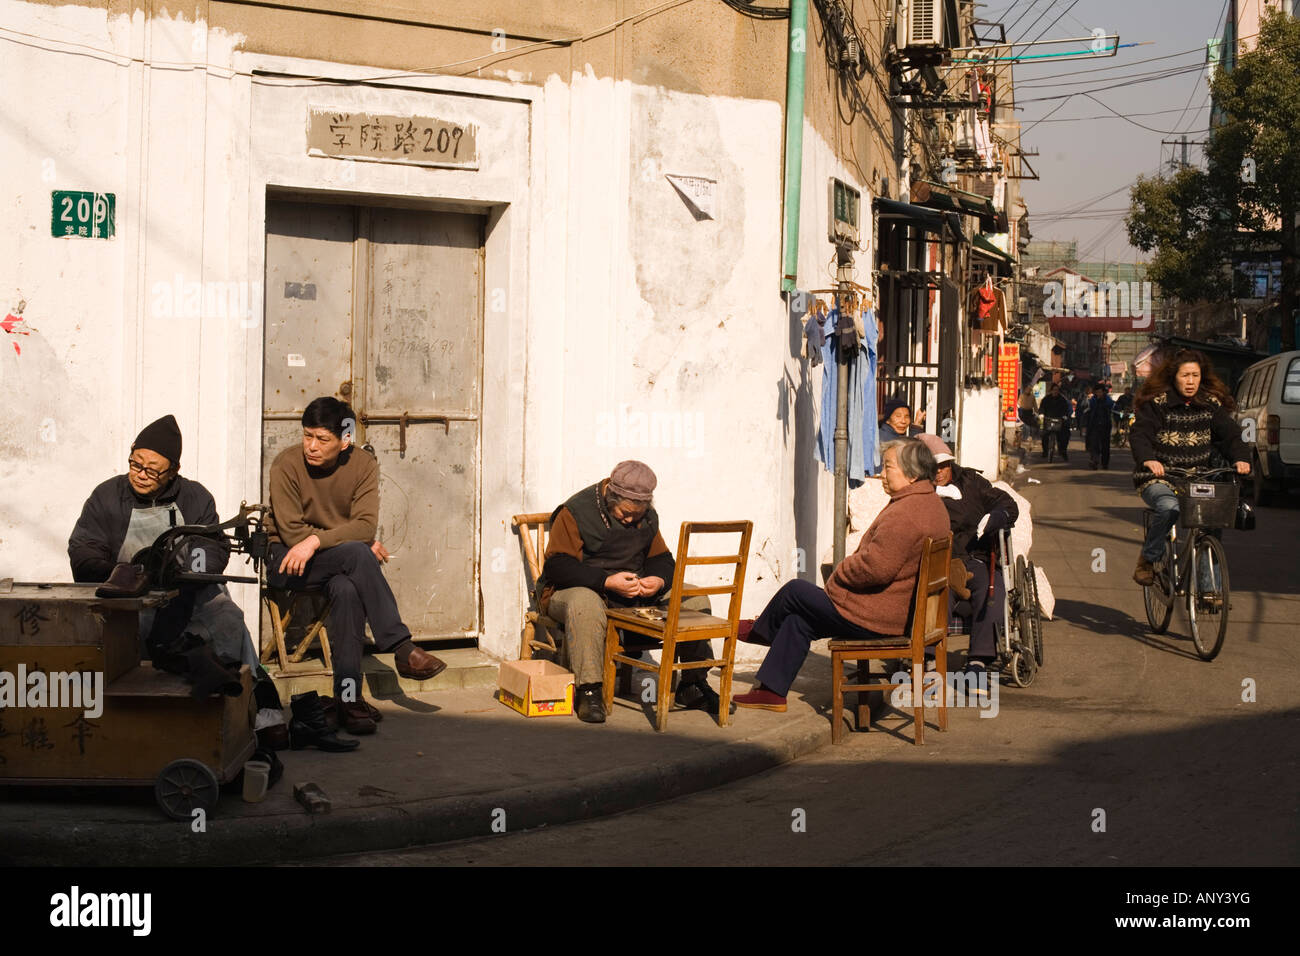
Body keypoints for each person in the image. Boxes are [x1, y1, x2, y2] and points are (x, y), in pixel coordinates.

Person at [67, 414, 288, 746]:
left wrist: (185, 577)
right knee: (133, 631)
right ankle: (139, 720)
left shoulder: (196, 498)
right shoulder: (107, 497)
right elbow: (84, 551)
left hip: (189, 592)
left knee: (228, 619)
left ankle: (247, 710)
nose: (141, 474)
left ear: (173, 471)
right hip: (129, 597)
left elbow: (211, 549)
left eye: (152, 469)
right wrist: (124, 575)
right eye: (135, 463)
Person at [266, 396, 446, 736]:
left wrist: (322, 541)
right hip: (286, 560)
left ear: (344, 440)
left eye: (322, 439)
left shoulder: (362, 465)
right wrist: (348, 542)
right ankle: (401, 647)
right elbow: (291, 532)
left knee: (348, 588)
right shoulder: (286, 465)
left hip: (332, 560)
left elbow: (365, 527)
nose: (311, 447)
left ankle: (347, 698)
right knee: (359, 554)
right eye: (307, 436)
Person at [732, 440, 950, 712]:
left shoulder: (906, 514)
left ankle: (762, 630)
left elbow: (876, 569)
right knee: (799, 620)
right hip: (895, 612)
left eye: (889, 467)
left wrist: (841, 569)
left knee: (796, 591)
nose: (882, 473)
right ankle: (771, 692)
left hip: (877, 618)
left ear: (912, 474)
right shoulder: (930, 504)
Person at [537, 460, 721, 724]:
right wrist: (606, 581)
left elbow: (663, 559)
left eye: (637, 514)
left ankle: (692, 684)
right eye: (624, 513)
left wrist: (657, 580)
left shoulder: (646, 518)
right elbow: (558, 566)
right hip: (573, 589)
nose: (629, 519)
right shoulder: (576, 511)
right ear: (611, 495)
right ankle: (589, 690)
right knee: (585, 602)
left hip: (628, 592)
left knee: (694, 598)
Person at [1129, 350, 1250, 588]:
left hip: (1197, 480)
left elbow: (1231, 436)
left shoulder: (1209, 405)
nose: (1191, 381)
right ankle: (1148, 560)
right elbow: (1140, 434)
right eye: (1185, 375)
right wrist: (1148, 460)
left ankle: (1208, 590)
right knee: (1168, 507)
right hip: (1159, 478)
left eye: (1195, 375)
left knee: (1212, 524)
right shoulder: (1158, 404)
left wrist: (1241, 458)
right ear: (1174, 376)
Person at [920, 434, 1018, 679]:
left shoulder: (972, 482)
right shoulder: (917, 490)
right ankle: (928, 656)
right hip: (938, 560)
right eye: (933, 467)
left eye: (944, 465)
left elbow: (1007, 504)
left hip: (976, 556)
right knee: (936, 594)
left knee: (991, 590)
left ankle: (978, 659)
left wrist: (995, 517)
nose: (940, 472)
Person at [1084, 382, 1114, 470]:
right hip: (1094, 425)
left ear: (1104, 392)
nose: (1099, 394)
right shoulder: (1092, 400)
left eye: (1100, 392)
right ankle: (1095, 461)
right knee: (1094, 444)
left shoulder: (1108, 400)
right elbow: (1087, 410)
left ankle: (1105, 463)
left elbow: (1112, 406)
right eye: (1097, 392)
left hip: (1105, 425)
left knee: (1105, 446)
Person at [1038, 383, 1071, 460]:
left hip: (1059, 420)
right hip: (1048, 420)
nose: (1055, 391)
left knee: (1065, 435)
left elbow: (1066, 409)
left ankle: (1063, 451)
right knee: (1044, 435)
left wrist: (1065, 416)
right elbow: (1042, 408)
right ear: (1051, 391)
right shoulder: (1046, 399)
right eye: (1054, 390)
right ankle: (1045, 451)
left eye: (1057, 390)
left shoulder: (1062, 400)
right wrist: (1041, 414)